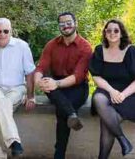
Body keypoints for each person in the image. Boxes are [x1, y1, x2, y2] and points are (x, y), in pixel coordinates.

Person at [89, 19, 135, 158]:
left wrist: (123, 95)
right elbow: (96, 76)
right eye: (109, 30)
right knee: (98, 98)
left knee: (106, 123)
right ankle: (122, 139)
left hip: (130, 93)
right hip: (108, 89)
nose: (112, 33)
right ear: (105, 33)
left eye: (116, 30)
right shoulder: (100, 50)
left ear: (122, 33)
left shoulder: (131, 51)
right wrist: (111, 91)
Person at [34, 12, 93, 159]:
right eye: (62, 24)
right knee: (48, 81)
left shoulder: (85, 47)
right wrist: (38, 81)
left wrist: (56, 84)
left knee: (61, 112)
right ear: (59, 26)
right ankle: (72, 114)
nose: (66, 26)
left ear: (75, 23)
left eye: (69, 22)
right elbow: (41, 68)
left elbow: (78, 76)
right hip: (55, 86)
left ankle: (59, 154)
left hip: (77, 87)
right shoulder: (51, 45)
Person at [0, 18, 36, 159]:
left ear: (11, 31)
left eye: (6, 31)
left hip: (16, 88)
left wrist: (30, 96)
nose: (2, 34)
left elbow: (30, 73)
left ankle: (0, 155)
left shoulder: (22, 46)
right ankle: (14, 141)